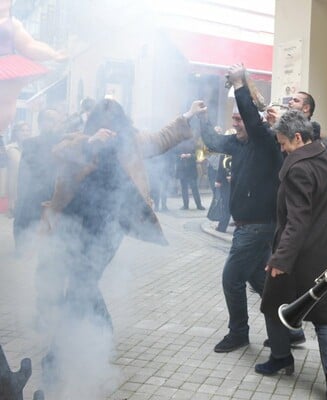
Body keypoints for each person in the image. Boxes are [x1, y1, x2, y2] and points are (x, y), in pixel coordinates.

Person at [36, 98, 204, 383]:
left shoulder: (132, 142)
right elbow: (60, 151)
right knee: (80, 284)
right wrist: (92, 141)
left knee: (81, 283)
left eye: (114, 122)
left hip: (110, 226)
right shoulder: (80, 139)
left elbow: (162, 138)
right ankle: (94, 334)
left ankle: (61, 353)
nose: (109, 128)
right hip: (76, 223)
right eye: (104, 123)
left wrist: (187, 114)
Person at [197, 64, 298, 353]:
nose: (238, 124)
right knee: (259, 280)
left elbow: (254, 122)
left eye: (241, 119)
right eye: (234, 119)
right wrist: (203, 118)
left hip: (257, 226)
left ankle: (238, 332)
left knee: (231, 278)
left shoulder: (264, 140)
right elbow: (213, 141)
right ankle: (290, 324)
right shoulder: (237, 143)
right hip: (249, 225)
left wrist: (240, 85)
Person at [257, 109, 327, 400]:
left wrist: (280, 259)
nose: (282, 148)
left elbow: (296, 221)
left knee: (272, 305)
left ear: (298, 138)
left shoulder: (298, 168)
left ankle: (281, 357)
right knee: (324, 316)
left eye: (284, 142)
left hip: (299, 254)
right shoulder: (326, 153)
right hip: (325, 248)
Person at [0, 0, 65, 133]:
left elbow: (29, 45)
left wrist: (52, 54)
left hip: (7, 68)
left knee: (6, 103)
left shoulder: (13, 24)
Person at [12, 109, 63, 254]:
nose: (55, 124)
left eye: (57, 120)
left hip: (56, 196)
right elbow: (24, 174)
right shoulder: (31, 143)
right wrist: (19, 198)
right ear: (41, 123)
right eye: (51, 120)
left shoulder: (64, 142)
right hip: (32, 196)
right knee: (25, 228)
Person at [5, 121, 31, 217]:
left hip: (29, 186)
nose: (25, 133)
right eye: (22, 130)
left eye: (28, 130)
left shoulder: (33, 148)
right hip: (14, 187)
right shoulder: (9, 149)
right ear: (16, 132)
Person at [174, 137, 205, 210]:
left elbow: (198, 155)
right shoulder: (177, 143)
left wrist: (190, 155)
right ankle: (185, 205)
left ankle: (199, 205)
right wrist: (180, 156)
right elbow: (174, 156)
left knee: (194, 188)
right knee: (184, 188)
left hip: (191, 170)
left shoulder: (193, 142)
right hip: (182, 170)